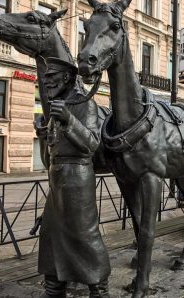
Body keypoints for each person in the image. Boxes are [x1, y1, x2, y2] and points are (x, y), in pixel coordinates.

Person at [34, 57, 110, 298]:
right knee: (51, 233)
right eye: (45, 80)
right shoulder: (58, 105)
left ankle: (98, 288)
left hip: (78, 176)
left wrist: (68, 119)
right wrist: (43, 136)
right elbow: (50, 156)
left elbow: (91, 144)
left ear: (66, 78)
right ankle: (54, 286)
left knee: (83, 234)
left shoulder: (84, 105)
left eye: (51, 78)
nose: (46, 84)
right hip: (57, 177)